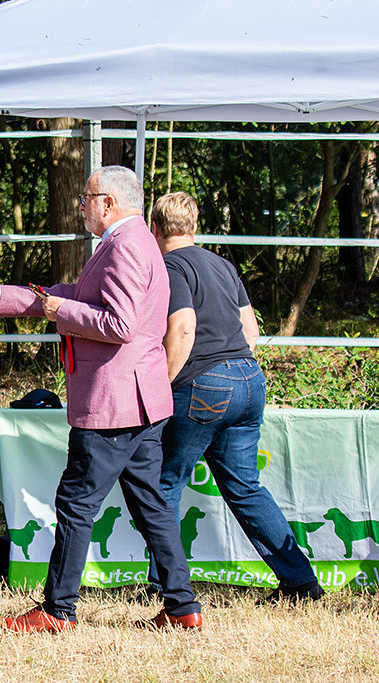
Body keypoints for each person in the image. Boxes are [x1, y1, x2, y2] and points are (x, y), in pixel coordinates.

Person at [0, 166, 202, 632]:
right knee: (151, 504)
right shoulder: (133, 240)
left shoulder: (125, 246)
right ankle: (181, 605)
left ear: (108, 202)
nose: (81, 206)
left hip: (114, 402)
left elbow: (118, 324)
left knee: (76, 503)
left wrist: (59, 311)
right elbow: (79, 295)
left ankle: (58, 610)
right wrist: (4, 296)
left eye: (86, 198)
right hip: (139, 400)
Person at [149, 191, 323, 603]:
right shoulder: (223, 265)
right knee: (246, 487)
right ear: (194, 226)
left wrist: (163, 386)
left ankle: (165, 589)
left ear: (154, 228)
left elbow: (183, 329)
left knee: (166, 484)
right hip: (248, 379)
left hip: (202, 384)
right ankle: (300, 581)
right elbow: (251, 331)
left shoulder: (170, 267)